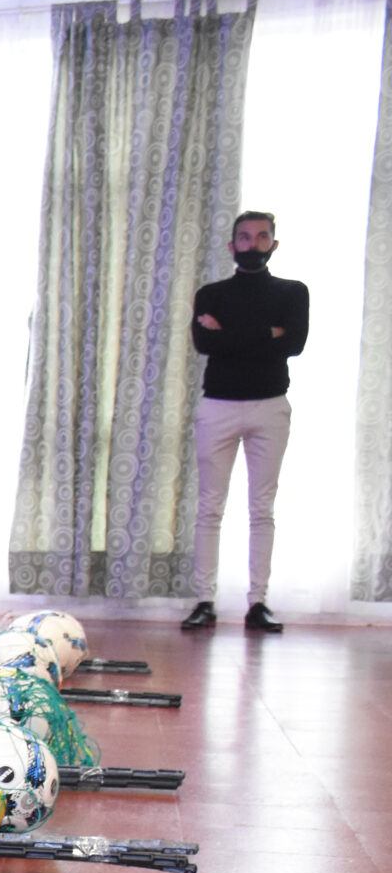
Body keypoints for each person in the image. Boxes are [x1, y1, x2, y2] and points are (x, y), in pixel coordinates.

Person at [183, 211, 307, 634]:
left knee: (261, 508)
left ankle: (258, 602)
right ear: (232, 245)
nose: (253, 244)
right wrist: (268, 333)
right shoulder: (211, 293)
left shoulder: (293, 292)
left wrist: (229, 333)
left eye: (262, 237)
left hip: (270, 406)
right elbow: (205, 343)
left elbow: (295, 343)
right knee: (210, 507)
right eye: (245, 237)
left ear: (274, 244)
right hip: (218, 406)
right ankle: (204, 601)